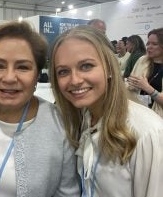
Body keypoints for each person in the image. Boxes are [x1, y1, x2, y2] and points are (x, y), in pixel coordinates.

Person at [0, 21, 80, 197]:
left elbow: (67, 193)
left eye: (23, 67)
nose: (10, 78)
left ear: (37, 75)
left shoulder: (60, 125)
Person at [50, 25, 163, 197]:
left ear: (110, 68)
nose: (74, 80)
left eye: (86, 66)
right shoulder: (84, 119)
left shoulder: (147, 133)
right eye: (63, 71)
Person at [127, 28, 163, 117]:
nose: (149, 47)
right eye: (148, 43)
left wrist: (148, 88)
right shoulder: (142, 60)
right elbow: (131, 82)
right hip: (138, 112)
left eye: (154, 44)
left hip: (157, 118)